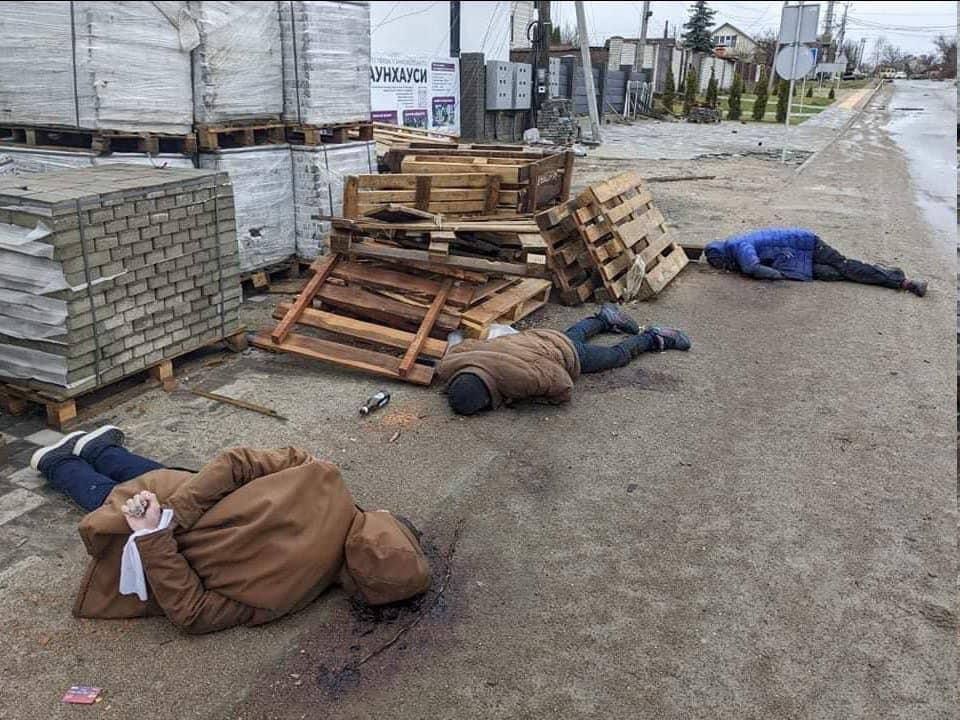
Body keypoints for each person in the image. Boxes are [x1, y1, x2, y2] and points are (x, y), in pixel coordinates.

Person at [30, 426, 432, 634]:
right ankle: (71, 459)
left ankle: (78, 457)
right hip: (153, 551)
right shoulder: (291, 597)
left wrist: (171, 517)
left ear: (385, 519)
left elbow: (236, 463)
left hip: (158, 523)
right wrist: (156, 532)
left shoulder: (324, 476)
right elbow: (193, 613)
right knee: (130, 502)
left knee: (157, 486)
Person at [436, 304, 691, 416]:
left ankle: (653, 337)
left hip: (567, 354)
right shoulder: (452, 362)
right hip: (537, 337)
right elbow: (463, 345)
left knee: (616, 356)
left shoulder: (519, 380)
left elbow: (563, 385)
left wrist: (535, 399)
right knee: (572, 335)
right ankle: (604, 318)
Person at [703, 227, 927, 296]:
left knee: (846, 267)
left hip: (807, 245)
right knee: (832, 274)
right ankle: (881, 273)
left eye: (720, 263)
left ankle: (903, 282)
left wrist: (777, 276)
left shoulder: (738, 246)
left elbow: (752, 266)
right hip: (794, 256)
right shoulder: (734, 244)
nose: (722, 268)